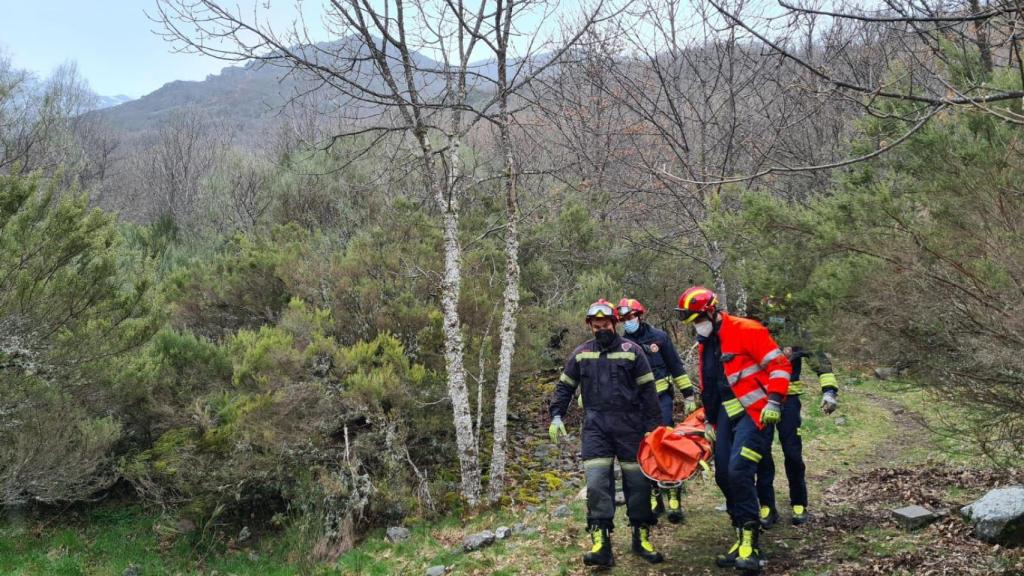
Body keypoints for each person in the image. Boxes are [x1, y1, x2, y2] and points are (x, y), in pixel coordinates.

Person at [676, 286, 791, 573]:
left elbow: (780, 366)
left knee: (740, 471)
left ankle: (751, 545)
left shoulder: (746, 329)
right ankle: (740, 535)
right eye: (691, 322)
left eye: (697, 320)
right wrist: (709, 420)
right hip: (725, 417)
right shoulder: (707, 343)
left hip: (757, 413)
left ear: (712, 312)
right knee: (724, 476)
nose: (695, 327)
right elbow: (712, 385)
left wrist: (775, 401)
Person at [548, 299, 665, 567]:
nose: (602, 329)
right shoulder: (581, 354)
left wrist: (654, 429)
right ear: (590, 326)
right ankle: (601, 543)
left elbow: (649, 392)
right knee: (598, 483)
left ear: (615, 323)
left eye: (606, 324)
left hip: (631, 427)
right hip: (596, 427)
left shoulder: (632, 351)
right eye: (596, 325)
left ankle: (641, 536)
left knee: (637, 484)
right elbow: (565, 387)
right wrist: (556, 415)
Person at [752, 295, 840, 527]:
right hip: (760, 401)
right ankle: (766, 506)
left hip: (789, 401)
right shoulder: (756, 331)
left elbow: (820, 363)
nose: (776, 314)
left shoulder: (799, 333)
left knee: (792, 453)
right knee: (762, 454)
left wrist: (829, 391)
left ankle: (799, 503)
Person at [616, 297, 696, 524]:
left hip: (661, 401)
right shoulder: (620, 342)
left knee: (666, 445)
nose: (628, 321)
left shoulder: (659, 338)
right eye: (624, 319)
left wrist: (688, 394)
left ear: (640, 315)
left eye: (631, 317)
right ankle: (653, 493)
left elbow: (676, 367)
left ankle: (673, 494)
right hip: (636, 405)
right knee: (644, 449)